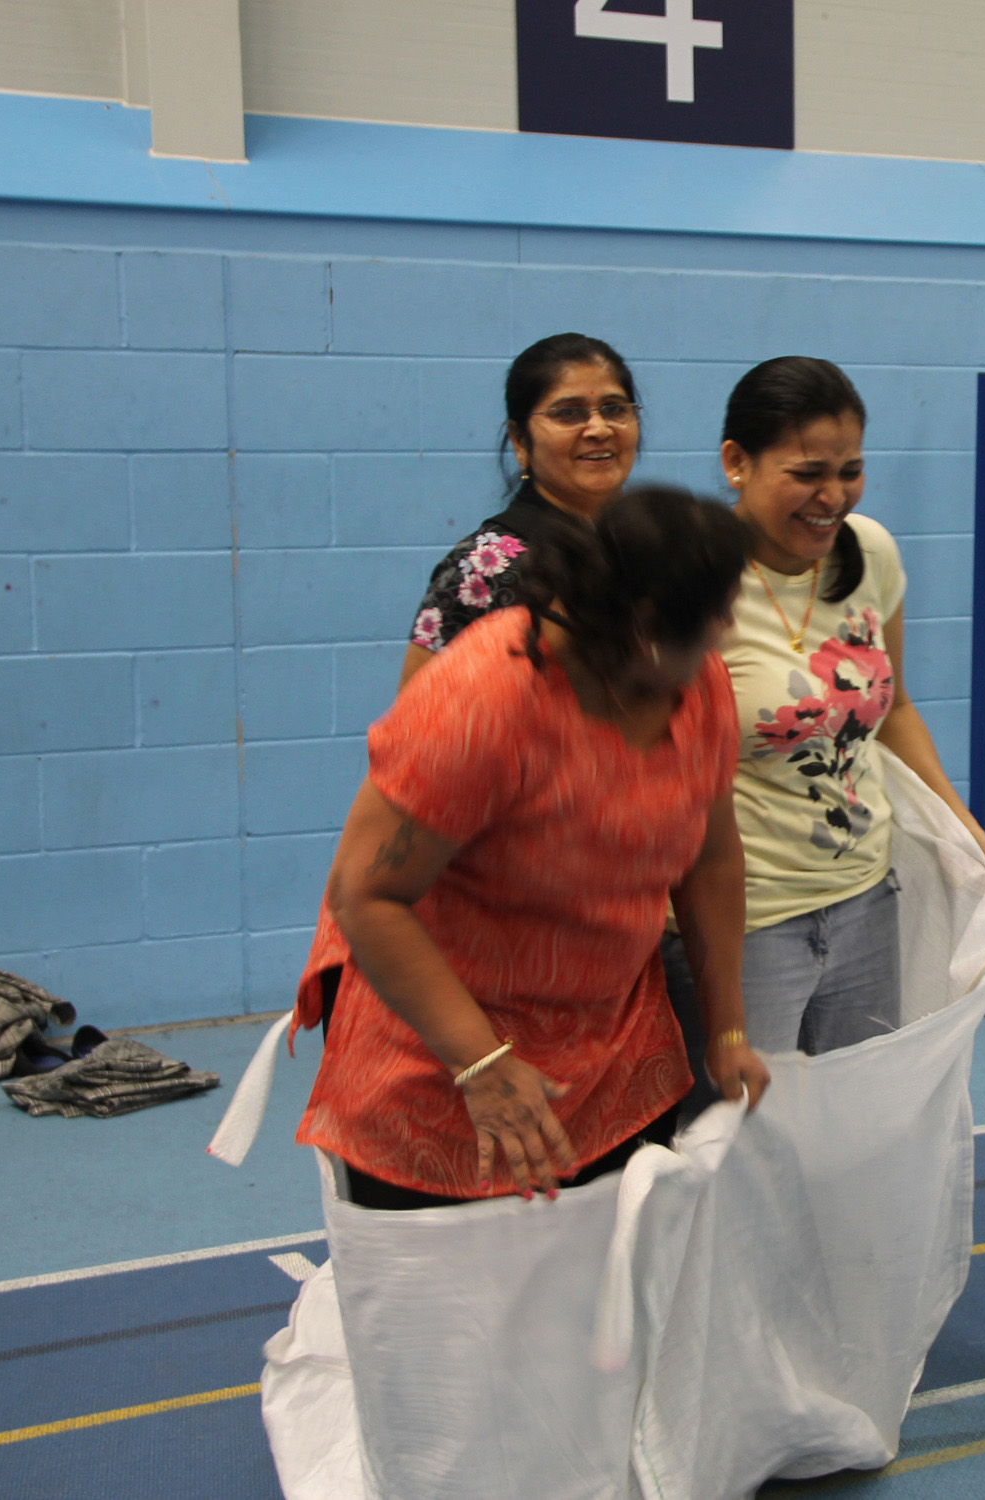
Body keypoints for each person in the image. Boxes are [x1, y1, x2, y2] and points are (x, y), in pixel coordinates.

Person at [293, 485, 769, 1207]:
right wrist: (479, 1062)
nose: (727, 630)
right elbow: (366, 895)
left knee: (598, 1304)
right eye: (716, 614)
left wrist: (728, 1026)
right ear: (645, 624)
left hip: (608, 1063)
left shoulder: (696, 685)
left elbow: (710, 857)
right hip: (441, 1068)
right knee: (447, 1313)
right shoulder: (484, 701)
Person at [706, 356, 985, 1054]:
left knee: (854, 1131)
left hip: (866, 898)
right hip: (746, 920)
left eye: (849, 471)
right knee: (747, 1143)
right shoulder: (694, 579)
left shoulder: (870, 552)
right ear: (736, 462)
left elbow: (895, 709)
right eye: (807, 473)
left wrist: (967, 831)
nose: (832, 496)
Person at [400, 332, 643, 685]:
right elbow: (414, 726)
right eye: (568, 413)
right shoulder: (481, 569)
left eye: (614, 409)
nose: (598, 428)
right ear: (519, 440)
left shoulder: (656, 551)